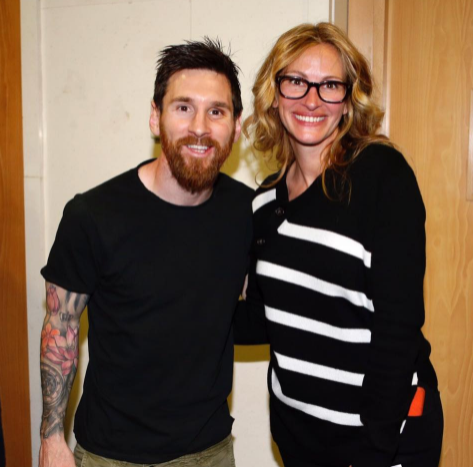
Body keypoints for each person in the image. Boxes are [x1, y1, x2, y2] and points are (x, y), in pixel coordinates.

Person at [236, 22, 443, 467]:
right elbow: (263, 320)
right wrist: (172, 308)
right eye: (296, 82)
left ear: (349, 100)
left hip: (384, 444)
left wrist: (373, 450)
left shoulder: (382, 177)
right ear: (274, 93)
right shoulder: (264, 202)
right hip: (300, 440)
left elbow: (397, 330)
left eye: (330, 85)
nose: (312, 100)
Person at [39, 38, 253, 467]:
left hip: (210, 453)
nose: (199, 127)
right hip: (109, 455)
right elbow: (60, 326)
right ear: (155, 117)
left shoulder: (249, 213)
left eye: (216, 111)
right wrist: (51, 437)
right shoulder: (93, 215)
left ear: (236, 126)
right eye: (183, 107)